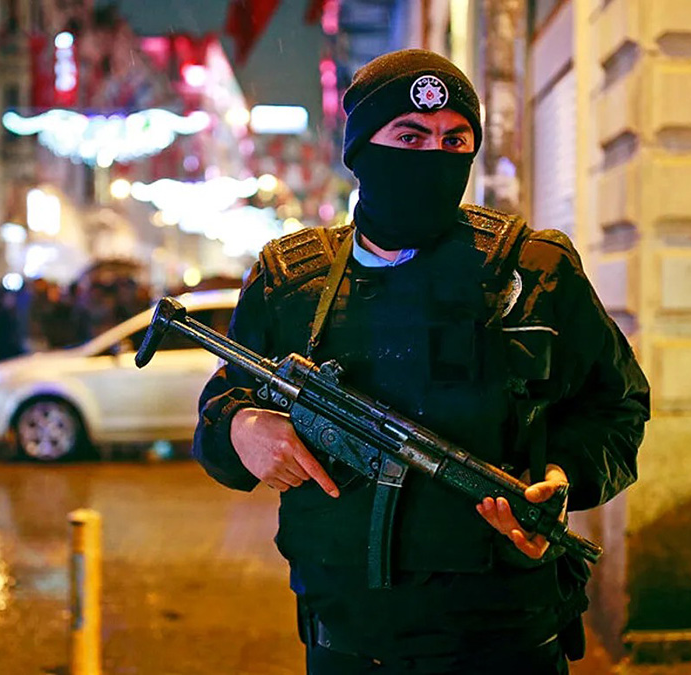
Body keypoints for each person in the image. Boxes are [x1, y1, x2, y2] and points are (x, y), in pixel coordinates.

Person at [192, 49, 650, 675]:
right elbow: (222, 411)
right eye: (410, 137)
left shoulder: (536, 270)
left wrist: (562, 474)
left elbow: (617, 406)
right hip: (347, 645)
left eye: (454, 140)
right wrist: (244, 430)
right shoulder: (290, 282)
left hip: (510, 637)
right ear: (362, 151)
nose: (434, 155)